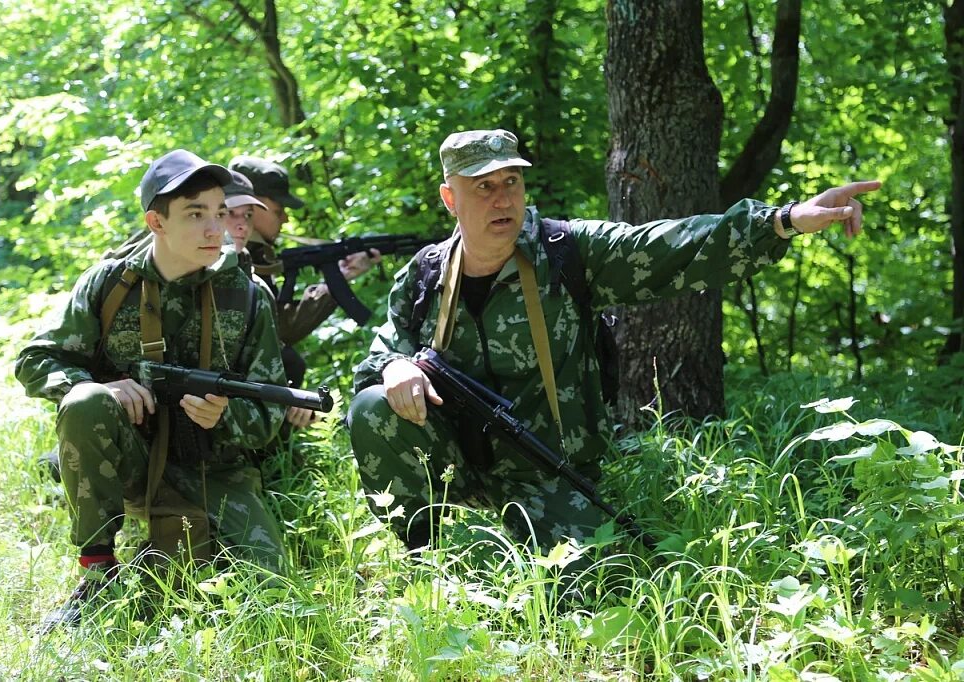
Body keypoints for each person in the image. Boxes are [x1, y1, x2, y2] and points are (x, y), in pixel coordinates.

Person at [347, 128, 881, 552]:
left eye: (511, 181)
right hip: (457, 461)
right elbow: (378, 356)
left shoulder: (566, 251)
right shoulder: (426, 275)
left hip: (549, 470)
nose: (501, 197)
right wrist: (396, 368)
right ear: (450, 198)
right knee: (372, 407)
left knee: (584, 591)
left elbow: (673, 245)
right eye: (483, 186)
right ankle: (425, 555)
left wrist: (783, 220)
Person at [15, 149, 290, 630]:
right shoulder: (111, 283)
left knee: (267, 592)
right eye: (195, 214)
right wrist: (104, 389)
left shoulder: (247, 295)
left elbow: (269, 413)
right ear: (156, 222)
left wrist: (225, 416)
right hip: (128, 459)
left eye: (219, 213)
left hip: (213, 467)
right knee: (85, 401)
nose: (214, 229)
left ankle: (159, 556)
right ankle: (98, 572)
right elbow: (36, 359)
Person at [228, 155, 380, 428]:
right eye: (277, 209)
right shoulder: (231, 254)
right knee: (288, 361)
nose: (286, 217)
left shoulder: (255, 254)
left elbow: (276, 323)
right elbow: (281, 330)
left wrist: (343, 275)